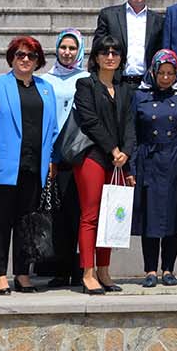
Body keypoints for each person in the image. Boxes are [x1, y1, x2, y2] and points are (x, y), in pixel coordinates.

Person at [0, 35, 60, 295]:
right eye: (20, 55)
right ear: (11, 57)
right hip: (5, 167)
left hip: (35, 167)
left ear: (38, 61)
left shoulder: (46, 88)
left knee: (27, 222)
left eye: (31, 56)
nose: (25, 60)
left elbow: (53, 129)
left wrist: (52, 160)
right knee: (1, 222)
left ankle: (22, 273)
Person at [132, 49, 177, 288]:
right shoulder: (140, 95)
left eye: (170, 73)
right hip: (149, 159)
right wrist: (132, 168)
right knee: (150, 218)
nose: (165, 77)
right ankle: (150, 269)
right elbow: (132, 133)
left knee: (174, 216)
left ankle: (168, 269)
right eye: (161, 72)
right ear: (153, 72)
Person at [73, 34, 136, 294]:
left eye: (115, 52)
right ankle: (87, 272)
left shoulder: (125, 89)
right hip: (92, 155)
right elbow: (90, 122)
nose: (110, 57)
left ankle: (104, 270)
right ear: (96, 57)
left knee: (110, 217)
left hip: (118, 160)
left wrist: (126, 155)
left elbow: (131, 125)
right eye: (105, 52)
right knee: (91, 215)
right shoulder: (85, 85)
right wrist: (113, 149)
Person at [40, 28, 88, 287]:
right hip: (54, 153)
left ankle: (81, 267)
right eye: (63, 47)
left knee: (79, 212)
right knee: (58, 213)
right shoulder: (45, 80)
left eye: (72, 48)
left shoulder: (87, 78)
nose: (67, 53)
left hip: (79, 152)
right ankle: (61, 267)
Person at [95, 0, 164, 91]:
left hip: (147, 85)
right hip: (115, 83)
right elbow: (97, 49)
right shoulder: (109, 16)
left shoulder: (158, 20)